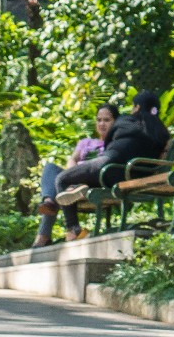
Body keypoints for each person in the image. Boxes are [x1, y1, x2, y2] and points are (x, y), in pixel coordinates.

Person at [32, 102, 118, 247]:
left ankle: (44, 236)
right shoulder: (86, 142)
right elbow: (73, 159)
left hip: (92, 180)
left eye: (106, 120)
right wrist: (72, 175)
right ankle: (50, 203)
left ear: (115, 122)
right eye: (99, 120)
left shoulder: (116, 145)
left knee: (58, 188)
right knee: (50, 168)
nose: (102, 124)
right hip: (71, 181)